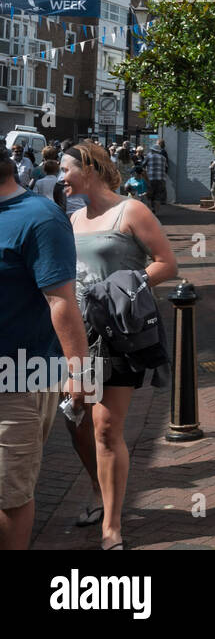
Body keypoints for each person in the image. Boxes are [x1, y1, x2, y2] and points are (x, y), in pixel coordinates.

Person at [59, 141, 178, 550]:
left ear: (88, 168)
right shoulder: (73, 219)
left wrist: (125, 287)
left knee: (106, 428)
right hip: (78, 337)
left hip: (118, 336)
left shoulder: (132, 211)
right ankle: (98, 489)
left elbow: (166, 262)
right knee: (77, 423)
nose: (61, 176)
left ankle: (111, 526)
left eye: (66, 168)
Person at [0, 146, 90, 551]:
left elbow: (61, 301)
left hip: (19, 378)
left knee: (8, 493)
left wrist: (79, 373)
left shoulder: (39, 217)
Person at [143, 142, 168, 213]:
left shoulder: (149, 156)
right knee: (158, 196)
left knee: (149, 196)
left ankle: (150, 211)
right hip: (161, 179)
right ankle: (156, 213)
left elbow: (143, 165)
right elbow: (166, 167)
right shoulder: (163, 158)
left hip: (151, 179)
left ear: (153, 150)